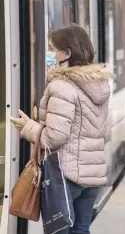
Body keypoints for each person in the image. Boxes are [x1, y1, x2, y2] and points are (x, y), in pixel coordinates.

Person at [10, 23, 111, 233]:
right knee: (81, 229)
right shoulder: (99, 84)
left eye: (52, 49)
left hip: (65, 175)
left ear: (66, 53)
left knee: (58, 230)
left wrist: (27, 126)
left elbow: (54, 138)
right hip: (92, 174)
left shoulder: (61, 86)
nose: (49, 54)